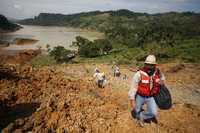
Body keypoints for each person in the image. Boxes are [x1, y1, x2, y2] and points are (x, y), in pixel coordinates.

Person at [128, 55, 165, 127]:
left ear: (154, 65)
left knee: (153, 112)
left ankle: (142, 116)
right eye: (147, 64)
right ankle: (138, 117)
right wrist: (132, 100)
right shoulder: (139, 74)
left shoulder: (157, 72)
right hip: (140, 96)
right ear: (145, 64)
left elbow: (162, 78)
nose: (149, 66)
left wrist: (161, 81)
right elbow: (133, 88)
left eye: (151, 65)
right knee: (136, 110)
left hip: (151, 97)